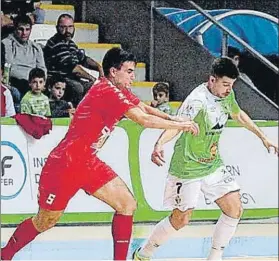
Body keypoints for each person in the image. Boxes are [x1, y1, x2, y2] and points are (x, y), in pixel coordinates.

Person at [1, 47, 199, 261]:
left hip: (87, 162)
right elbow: (143, 120)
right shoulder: (106, 91)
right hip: (65, 164)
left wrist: (176, 120)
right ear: (114, 72)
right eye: (129, 71)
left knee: (126, 205)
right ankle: (4, 255)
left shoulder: (119, 90)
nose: (133, 77)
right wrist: (182, 126)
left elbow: (146, 108)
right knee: (45, 221)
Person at [133, 57, 278, 261]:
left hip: (212, 165)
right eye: (225, 84)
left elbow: (238, 114)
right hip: (187, 167)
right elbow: (179, 124)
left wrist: (263, 137)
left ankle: (214, 257)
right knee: (181, 219)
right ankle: (144, 253)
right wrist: (159, 144)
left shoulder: (227, 95)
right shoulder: (197, 101)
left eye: (232, 85)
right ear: (212, 80)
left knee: (234, 208)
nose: (229, 89)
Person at [44, 13, 103, 107]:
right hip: (58, 80)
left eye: (70, 27)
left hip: (72, 78)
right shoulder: (55, 43)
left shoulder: (71, 44)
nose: (67, 31)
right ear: (57, 28)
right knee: (78, 87)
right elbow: (73, 68)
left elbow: (84, 59)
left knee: (96, 86)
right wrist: (92, 78)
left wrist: (99, 68)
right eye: (63, 27)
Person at [2, 14, 46, 97]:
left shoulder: (36, 47)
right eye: (21, 29)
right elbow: (10, 68)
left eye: (27, 29)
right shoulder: (6, 43)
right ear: (15, 29)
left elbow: (42, 68)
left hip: (34, 82)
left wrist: (39, 82)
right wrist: (30, 79)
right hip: (16, 82)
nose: (24, 33)